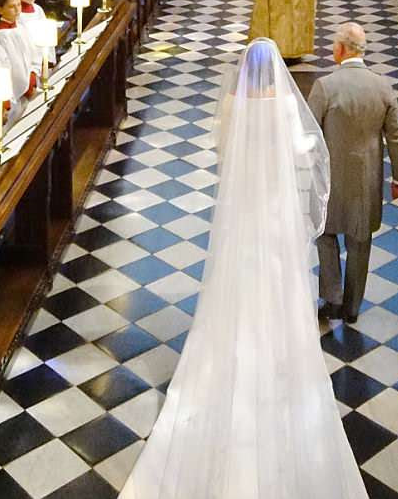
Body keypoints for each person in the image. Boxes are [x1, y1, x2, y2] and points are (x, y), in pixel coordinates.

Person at [117, 37, 368, 499]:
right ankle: (276, 345)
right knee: (277, 275)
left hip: (241, 208)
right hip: (274, 208)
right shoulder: (285, 109)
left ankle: (234, 343)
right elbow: (301, 152)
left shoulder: (233, 104)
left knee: (236, 273)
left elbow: (222, 148)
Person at [308, 23, 398, 324]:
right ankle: (352, 306)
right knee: (360, 242)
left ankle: (333, 297)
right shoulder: (382, 87)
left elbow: (310, 133)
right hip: (367, 181)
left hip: (330, 179)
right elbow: (396, 136)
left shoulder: (325, 87)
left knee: (325, 236)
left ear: (340, 49)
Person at [0, 0, 38, 104]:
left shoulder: (20, 26)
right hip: (20, 92)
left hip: (32, 82)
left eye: (19, 5)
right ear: (0, 10)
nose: (18, 10)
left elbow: (33, 54)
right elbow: (14, 68)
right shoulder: (1, 36)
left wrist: (33, 74)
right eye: (12, 6)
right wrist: (27, 86)